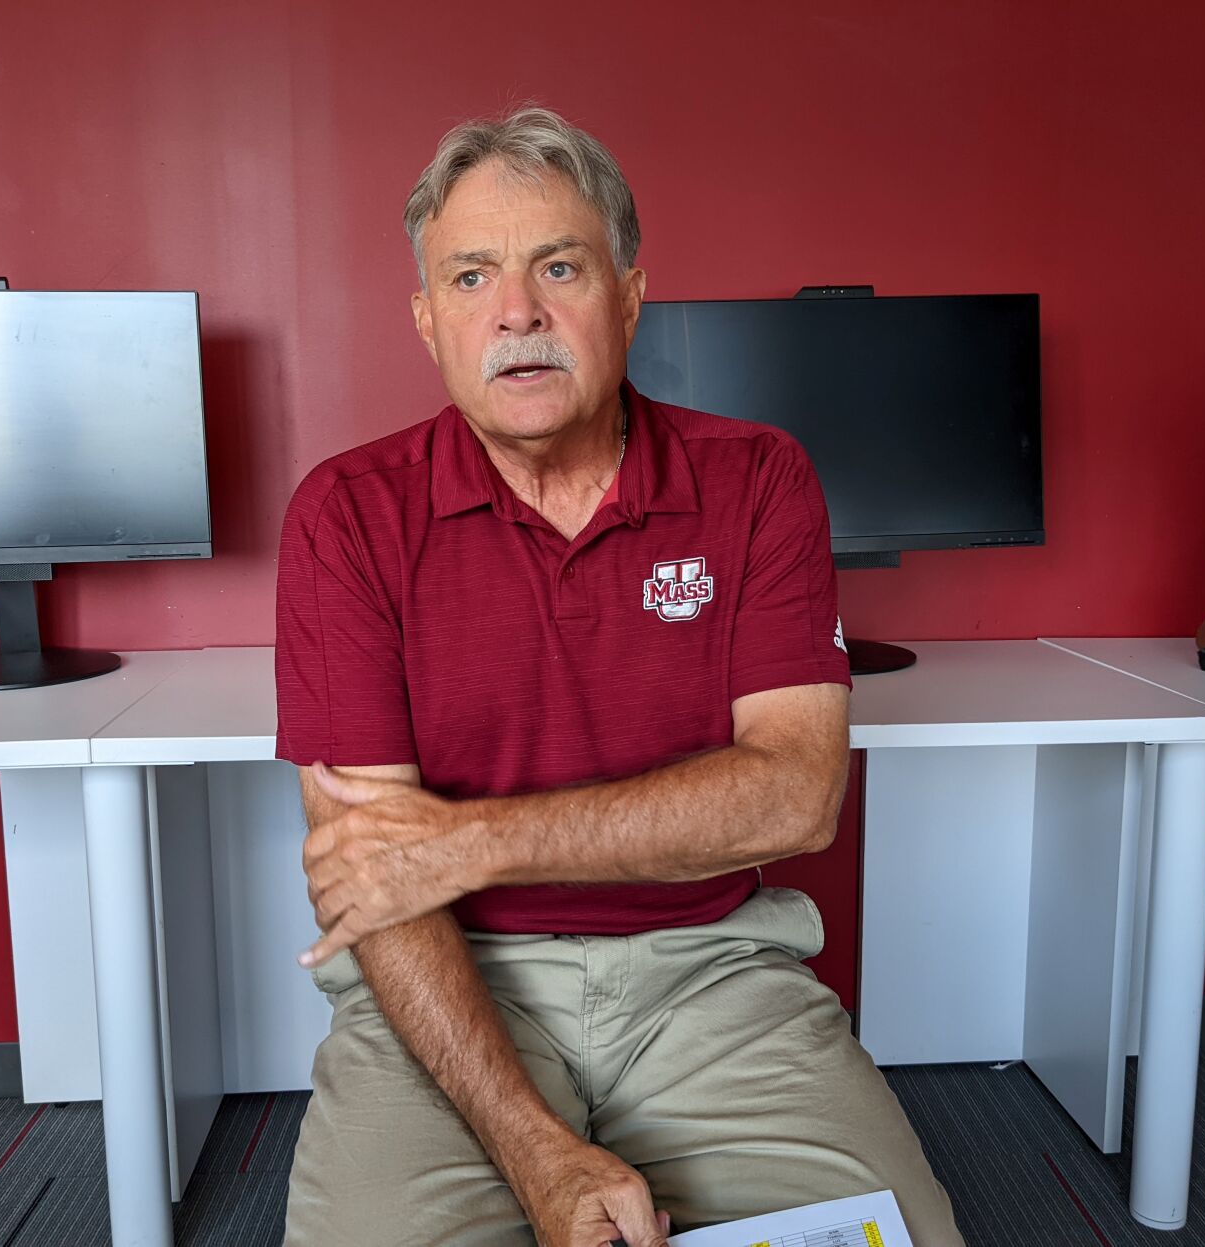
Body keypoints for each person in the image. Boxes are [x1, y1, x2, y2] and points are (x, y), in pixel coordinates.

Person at [274, 104, 965, 1247]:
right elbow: (381, 887)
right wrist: (531, 1142)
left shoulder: (758, 480)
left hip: (714, 974)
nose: (518, 313)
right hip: (451, 977)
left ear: (631, 294)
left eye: (559, 265)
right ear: (426, 321)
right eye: (470, 276)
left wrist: (473, 838)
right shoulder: (346, 516)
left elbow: (795, 796)